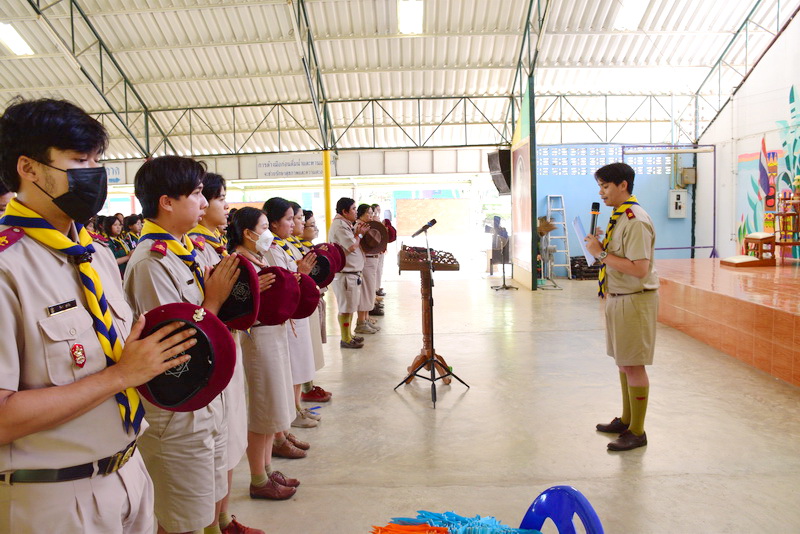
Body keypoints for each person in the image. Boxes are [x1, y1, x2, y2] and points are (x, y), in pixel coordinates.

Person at [0, 97, 195, 533]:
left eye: (96, 160)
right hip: (54, 497)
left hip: (129, 474)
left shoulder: (97, 255)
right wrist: (120, 376)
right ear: (28, 168)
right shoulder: (7, 267)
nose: (94, 173)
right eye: (78, 160)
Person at [123, 155, 241, 534]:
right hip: (179, 408)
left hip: (205, 399)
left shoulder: (183, 250)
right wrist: (214, 301)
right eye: (196, 193)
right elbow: (177, 343)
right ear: (167, 202)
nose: (204, 203)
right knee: (179, 518)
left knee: (205, 503)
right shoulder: (152, 262)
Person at [189, 173, 265, 533]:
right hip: (207, 359)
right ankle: (214, 522)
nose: (221, 205)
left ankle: (222, 517)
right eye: (218, 198)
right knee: (215, 450)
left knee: (230, 440)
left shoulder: (212, 246)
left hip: (226, 347)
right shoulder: (190, 250)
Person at [227, 207, 303, 501]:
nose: (267, 233)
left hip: (273, 335)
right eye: (263, 227)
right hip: (257, 339)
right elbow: (233, 307)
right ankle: (258, 478)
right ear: (248, 233)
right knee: (261, 409)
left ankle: (269, 469)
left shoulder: (257, 257)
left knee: (272, 406)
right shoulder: (237, 262)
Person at [584, 162, 659, 452]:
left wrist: (600, 253)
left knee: (634, 364)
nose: (601, 193)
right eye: (600, 187)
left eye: (605, 186)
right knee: (624, 361)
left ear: (623, 185)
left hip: (634, 299)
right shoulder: (620, 217)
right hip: (618, 296)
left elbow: (639, 269)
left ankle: (637, 432)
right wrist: (601, 246)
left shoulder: (635, 219)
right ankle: (627, 420)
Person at [261, 198, 320, 429]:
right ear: (274, 223)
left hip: (297, 310)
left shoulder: (285, 245)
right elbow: (283, 282)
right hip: (288, 313)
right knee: (292, 367)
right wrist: (301, 272)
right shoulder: (272, 249)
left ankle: (296, 407)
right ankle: (291, 413)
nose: (295, 224)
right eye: (289, 219)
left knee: (300, 364)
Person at [285, 203, 331, 403]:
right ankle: (301, 396)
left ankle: (303, 394)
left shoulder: (292, 245)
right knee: (296, 360)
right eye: (295, 219)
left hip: (306, 302)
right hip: (293, 309)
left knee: (306, 353)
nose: (301, 224)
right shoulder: (278, 247)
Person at [298, 209, 333, 403]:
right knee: (304, 349)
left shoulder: (302, 247)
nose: (314, 228)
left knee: (311, 346)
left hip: (314, 298)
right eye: (309, 225)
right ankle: (306, 388)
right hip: (301, 304)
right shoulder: (287, 247)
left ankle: (308, 386)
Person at [329, 197, 369, 348]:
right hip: (345, 275)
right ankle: (345, 338)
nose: (356, 212)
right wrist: (359, 235)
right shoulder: (340, 226)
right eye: (353, 209)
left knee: (350, 307)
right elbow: (352, 246)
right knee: (346, 308)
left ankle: (349, 335)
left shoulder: (345, 224)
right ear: (345, 212)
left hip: (351, 274)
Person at [355, 204, 381, 333]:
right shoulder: (359, 227)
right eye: (368, 213)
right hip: (366, 261)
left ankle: (365, 319)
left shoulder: (367, 225)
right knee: (365, 292)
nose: (371, 215)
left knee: (369, 291)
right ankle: (361, 322)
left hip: (371, 260)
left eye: (372, 213)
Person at [371, 203, 386, 297]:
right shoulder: (372, 221)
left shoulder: (378, 219)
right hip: (374, 252)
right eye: (376, 211)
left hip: (379, 250)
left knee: (379, 271)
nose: (378, 212)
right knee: (375, 272)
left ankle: (377, 288)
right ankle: (375, 290)